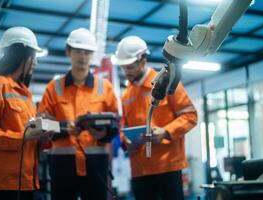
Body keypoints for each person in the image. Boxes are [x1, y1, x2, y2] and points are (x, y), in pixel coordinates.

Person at [112, 36, 198, 200]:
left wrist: (166, 132)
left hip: (168, 168)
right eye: (123, 68)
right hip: (140, 170)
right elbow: (124, 127)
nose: (126, 72)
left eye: (129, 67)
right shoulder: (127, 94)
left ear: (143, 60)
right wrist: (126, 142)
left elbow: (190, 116)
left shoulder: (166, 83)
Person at [38, 28, 118, 200]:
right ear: (68, 52)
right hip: (62, 166)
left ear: (92, 55)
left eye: (88, 52)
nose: (83, 57)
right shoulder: (54, 88)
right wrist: (66, 128)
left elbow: (116, 122)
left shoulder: (105, 88)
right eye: (78, 51)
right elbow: (41, 124)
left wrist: (104, 133)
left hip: (95, 165)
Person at [0, 27, 43, 200]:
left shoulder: (24, 93)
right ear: (20, 55)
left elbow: (27, 135)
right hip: (2, 184)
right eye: (33, 56)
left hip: (26, 180)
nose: (35, 62)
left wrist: (42, 137)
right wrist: (24, 137)